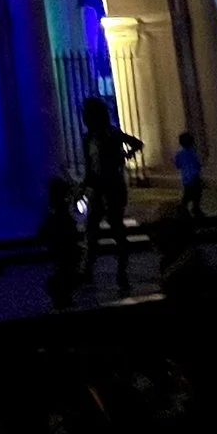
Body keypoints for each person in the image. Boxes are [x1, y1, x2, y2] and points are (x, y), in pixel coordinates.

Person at [78, 97, 141, 292]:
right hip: (98, 186)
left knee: (114, 227)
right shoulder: (89, 138)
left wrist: (123, 157)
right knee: (92, 229)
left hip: (112, 185)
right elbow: (90, 167)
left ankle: (120, 268)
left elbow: (136, 143)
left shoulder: (111, 134)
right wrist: (84, 186)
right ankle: (87, 269)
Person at [37, 177, 81, 310]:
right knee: (66, 270)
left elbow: (45, 231)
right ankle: (63, 297)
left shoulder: (56, 211)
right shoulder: (63, 210)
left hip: (62, 246)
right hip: (65, 246)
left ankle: (62, 297)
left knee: (63, 270)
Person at [174, 129, 205, 220]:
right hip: (194, 175)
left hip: (185, 177)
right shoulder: (192, 151)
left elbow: (177, 164)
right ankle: (194, 208)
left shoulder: (179, 153)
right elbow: (197, 163)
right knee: (196, 193)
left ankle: (185, 208)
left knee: (188, 193)